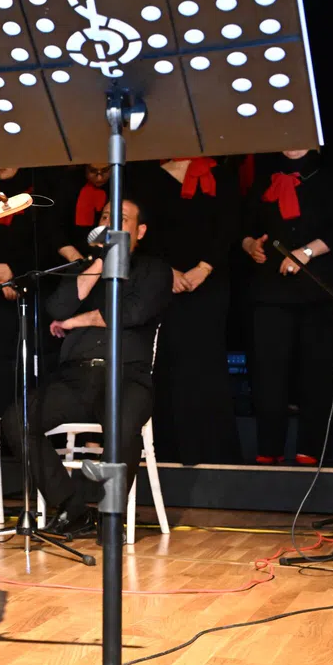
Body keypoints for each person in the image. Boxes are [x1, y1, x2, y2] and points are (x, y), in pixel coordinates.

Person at [1, 199, 171, 536]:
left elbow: (131, 313)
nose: (111, 223)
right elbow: (58, 307)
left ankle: (111, 514)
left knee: (123, 423)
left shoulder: (154, 269)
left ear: (140, 231)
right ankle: (72, 508)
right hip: (76, 377)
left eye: (121, 218)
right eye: (106, 216)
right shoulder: (85, 268)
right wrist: (99, 263)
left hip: (126, 375)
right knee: (17, 419)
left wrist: (79, 320)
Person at [241, 149, 333, 465]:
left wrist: (305, 253)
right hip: (271, 290)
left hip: (319, 289)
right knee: (268, 372)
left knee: (317, 371)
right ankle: (269, 448)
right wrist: (250, 245)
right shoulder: (265, 178)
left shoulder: (331, 178)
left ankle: (312, 450)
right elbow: (244, 227)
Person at [132, 157, 238, 465]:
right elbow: (142, 232)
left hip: (209, 281)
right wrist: (167, 272)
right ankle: (167, 450)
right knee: (168, 360)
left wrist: (204, 268)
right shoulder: (146, 177)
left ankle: (212, 450)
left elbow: (229, 226)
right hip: (163, 281)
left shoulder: (220, 173)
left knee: (205, 359)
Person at [0, 167, 73, 417]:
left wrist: (15, 273)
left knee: (22, 356)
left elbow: (45, 241)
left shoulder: (39, 187)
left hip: (27, 289)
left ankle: (20, 425)